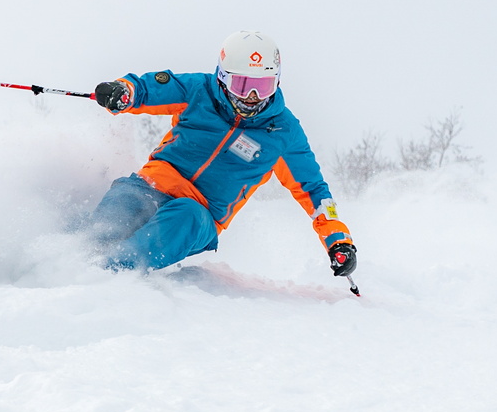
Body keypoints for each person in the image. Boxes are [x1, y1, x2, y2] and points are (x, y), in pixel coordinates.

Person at [85, 31, 357, 281]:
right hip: (152, 186)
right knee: (122, 205)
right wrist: (124, 92)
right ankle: (72, 256)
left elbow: (313, 190)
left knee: (185, 214)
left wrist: (338, 240)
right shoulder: (198, 91)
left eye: (262, 87)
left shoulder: (283, 132)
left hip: (200, 215)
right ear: (223, 77)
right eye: (242, 85)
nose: (252, 97)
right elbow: (149, 89)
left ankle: (107, 274)